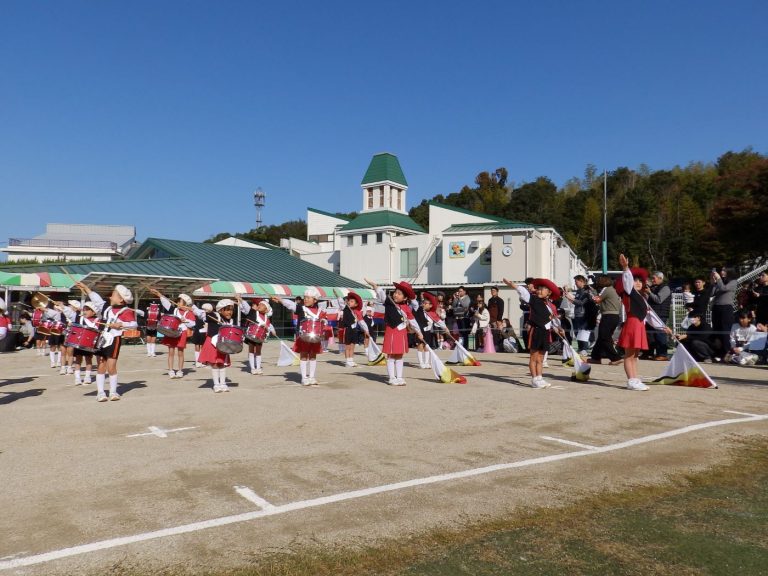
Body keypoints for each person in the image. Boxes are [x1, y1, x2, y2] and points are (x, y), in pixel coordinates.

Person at [616, 254, 672, 391]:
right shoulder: (629, 292)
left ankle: (635, 379)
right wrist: (625, 268)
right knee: (629, 355)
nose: (638, 283)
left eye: (640, 281)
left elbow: (650, 315)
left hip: (639, 325)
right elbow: (627, 280)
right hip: (632, 324)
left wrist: (664, 327)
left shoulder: (642, 297)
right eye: (636, 281)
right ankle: (631, 380)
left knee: (635, 355)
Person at [75, 281, 137, 402]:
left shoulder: (126, 311)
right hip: (102, 340)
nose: (110, 297)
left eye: (113, 295)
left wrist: (121, 324)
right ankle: (101, 392)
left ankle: (113, 392)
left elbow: (134, 324)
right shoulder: (106, 308)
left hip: (114, 339)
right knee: (101, 365)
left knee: (111, 366)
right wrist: (87, 288)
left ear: (121, 299)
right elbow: (96, 299)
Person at [503, 277, 564, 388]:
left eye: (542, 289)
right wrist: (512, 284)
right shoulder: (534, 300)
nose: (539, 291)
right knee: (533, 357)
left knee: (541, 358)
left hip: (545, 333)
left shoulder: (550, 306)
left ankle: (540, 377)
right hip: (536, 332)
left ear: (549, 292)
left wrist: (559, 329)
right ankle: (534, 379)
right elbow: (523, 292)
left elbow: (552, 320)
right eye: (538, 289)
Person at [367, 278, 424, 386]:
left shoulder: (406, 308)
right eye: (395, 292)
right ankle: (392, 377)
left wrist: (419, 332)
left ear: (405, 297)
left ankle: (400, 377)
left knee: (399, 355)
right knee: (391, 356)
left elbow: (412, 321)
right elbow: (381, 293)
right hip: (391, 332)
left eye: (399, 294)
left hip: (402, 333)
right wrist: (374, 285)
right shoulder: (388, 302)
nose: (396, 295)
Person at [272, 288, 327, 386]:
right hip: (303, 336)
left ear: (315, 300)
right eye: (305, 297)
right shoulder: (301, 308)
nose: (305, 299)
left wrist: (324, 321)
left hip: (315, 336)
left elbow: (324, 320)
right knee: (304, 355)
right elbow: (291, 305)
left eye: (308, 298)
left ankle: (312, 377)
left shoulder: (320, 311)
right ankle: (304, 378)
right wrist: (281, 300)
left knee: (313, 356)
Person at [150, 290, 197, 378]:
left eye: (181, 302)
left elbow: (193, 324)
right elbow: (165, 302)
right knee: (171, 352)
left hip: (182, 333)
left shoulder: (189, 313)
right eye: (178, 301)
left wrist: (185, 320)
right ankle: (171, 370)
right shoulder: (174, 309)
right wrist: (159, 293)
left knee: (180, 353)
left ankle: (180, 370)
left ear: (186, 303)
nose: (178, 303)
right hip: (171, 332)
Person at [197, 299, 239, 392]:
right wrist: (206, 311)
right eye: (227, 309)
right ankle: (216, 384)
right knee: (215, 363)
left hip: (224, 344)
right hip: (212, 342)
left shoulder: (230, 321)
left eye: (231, 310)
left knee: (222, 363)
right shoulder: (213, 315)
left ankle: (223, 383)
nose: (230, 312)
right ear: (220, 310)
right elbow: (202, 315)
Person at [589, 275, 623, 365]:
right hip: (614, 316)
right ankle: (595, 357)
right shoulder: (612, 289)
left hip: (608, 315)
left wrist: (591, 292)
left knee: (604, 337)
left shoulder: (606, 289)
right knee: (601, 338)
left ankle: (615, 358)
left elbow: (597, 300)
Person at [240, 297, 276, 375]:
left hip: (260, 337)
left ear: (266, 310)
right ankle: (253, 368)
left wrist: (272, 330)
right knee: (251, 351)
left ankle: (258, 367)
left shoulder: (267, 318)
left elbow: (269, 326)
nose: (259, 306)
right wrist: (241, 300)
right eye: (259, 304)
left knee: (258, 352)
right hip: (251, 335)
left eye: (262, 305)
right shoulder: (254, 313)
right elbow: (246, 307)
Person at [710, 266, 738, 360]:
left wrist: (718, 279)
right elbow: (711, 293)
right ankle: (718, 353)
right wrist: (713, 282)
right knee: (716, 330)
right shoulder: (720, 281)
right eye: (721, 270)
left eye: (724, 270)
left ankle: (727, 353)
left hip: (726, 308)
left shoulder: (733, 281)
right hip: (716, 307)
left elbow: (723, 288)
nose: (722, 272)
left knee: (725, 331)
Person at [563, 275, 595, 354]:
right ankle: (581, 348)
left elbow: (581, 303)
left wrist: (570, 298)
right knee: (577, 332)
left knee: (582, 332)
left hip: (583, 314)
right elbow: (576, 301)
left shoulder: (586, 291)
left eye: (576, 282)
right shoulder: (578, 291)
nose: (575, 283)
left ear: (581, 281)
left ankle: (584, 348)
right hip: (577, 314)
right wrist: (568, 296)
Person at [71, 300, 101, 385]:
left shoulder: (98, 320)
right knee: (78, 360)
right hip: (79, 342)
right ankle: (77, 378)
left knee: (88, 360)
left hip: (90, 344)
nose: (85, 311)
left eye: (87, 310)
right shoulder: (80, 318)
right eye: (84, 309)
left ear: (93, 312)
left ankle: (87, 377)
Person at [645, 271, 672, 361]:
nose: (652, 280)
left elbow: (659, 300)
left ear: (660, 278)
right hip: (652, 314)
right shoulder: (653, 288)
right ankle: (649, 353)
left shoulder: (665, 288)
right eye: (652, 278)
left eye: (654, 278)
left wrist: (649, 293)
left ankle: (663, 354)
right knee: (650, 334)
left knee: (660, 334)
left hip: (661, 314)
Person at [338, 292, 363, 367]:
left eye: (352, 301)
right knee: (347, 346)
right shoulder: (345, 308)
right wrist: (339, 297)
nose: (349, 302)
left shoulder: (355, 312)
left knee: (352, 346)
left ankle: (351, 360)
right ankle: (347, 361)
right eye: (349, 301)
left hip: (354, 330)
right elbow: (341, 303)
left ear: (356, 304)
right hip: (348, 330)